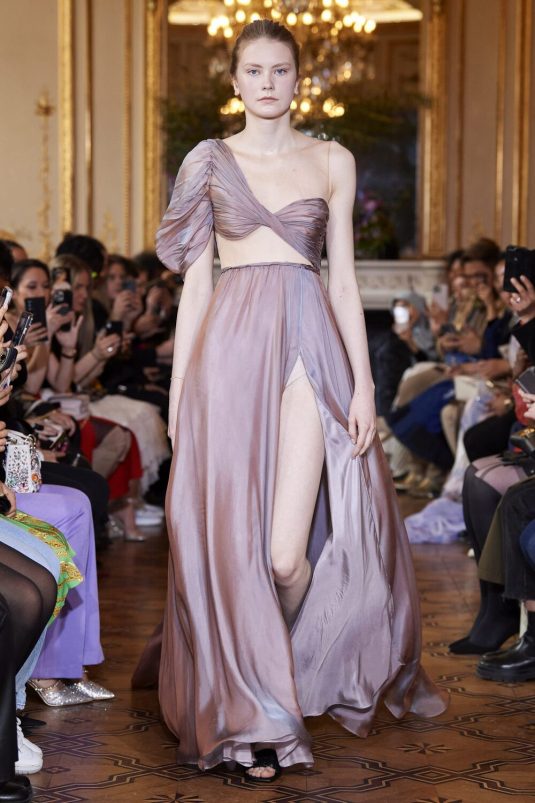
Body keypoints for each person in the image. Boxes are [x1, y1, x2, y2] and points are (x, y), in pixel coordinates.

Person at [155, 20, 447, 783]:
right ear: (234, 81)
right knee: (229, 545)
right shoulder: (208, 161)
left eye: (279, 70)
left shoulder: (331, 159)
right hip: (226, 356)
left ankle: (262, 683)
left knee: (285, 555)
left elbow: (342, 279)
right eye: (252, 70)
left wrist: (363, 385)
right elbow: (196, 288)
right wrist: (179, 401)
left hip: (308, 350)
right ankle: (256, 713)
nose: (266, 83)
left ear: (297, 78)